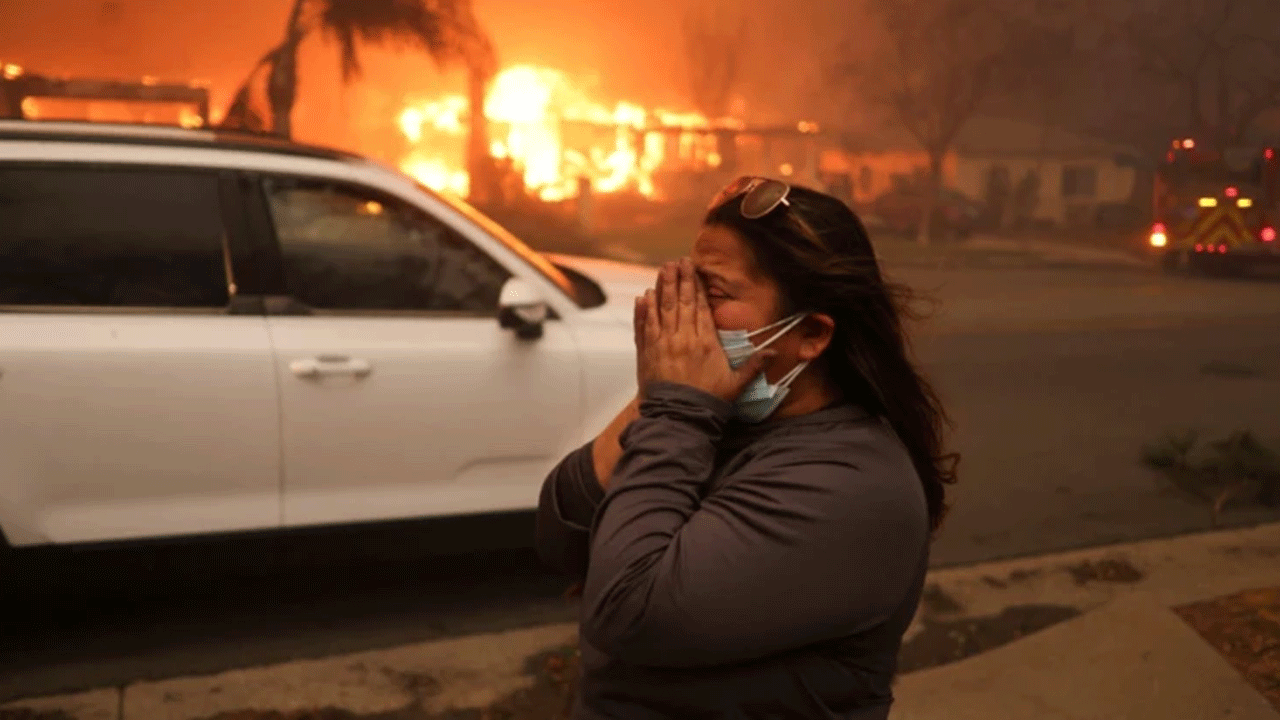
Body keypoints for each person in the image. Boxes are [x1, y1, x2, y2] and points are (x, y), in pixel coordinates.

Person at [535, 177, 958, 719]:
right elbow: (560, 531)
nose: (684, 317)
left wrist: (676, 405)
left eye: (712, 296)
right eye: (684, 288)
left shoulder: (855, 484)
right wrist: (657, 395)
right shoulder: (708, 418)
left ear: (811, 333)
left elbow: (626, 611)